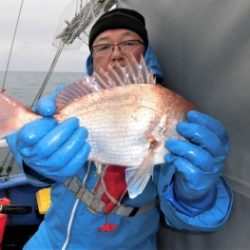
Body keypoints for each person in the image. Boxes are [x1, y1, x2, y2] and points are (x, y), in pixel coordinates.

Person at [6, 8, 233, 250]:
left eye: (129, 42)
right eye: (103, 46)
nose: (116, 54)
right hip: (50, 240)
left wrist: (196, 198)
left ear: (145, 53)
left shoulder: (162, 104)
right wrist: (34, 161)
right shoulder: (67, 99)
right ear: (92, 59)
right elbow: (22, 136)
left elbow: (189, 218)